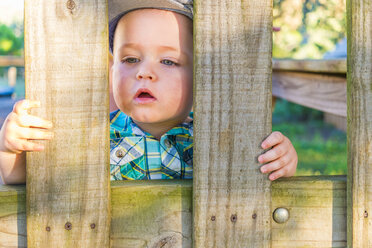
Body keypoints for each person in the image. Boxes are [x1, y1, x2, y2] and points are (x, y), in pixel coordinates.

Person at [0, 0, 297, 184]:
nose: (144, 72)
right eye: (130, 59)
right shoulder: (89, 138)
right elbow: (22, 178)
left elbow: (263, 184)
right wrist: (11, 149)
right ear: (111, 68)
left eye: (169, 61)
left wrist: (283, 161)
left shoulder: (221, 140)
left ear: (202, 77)